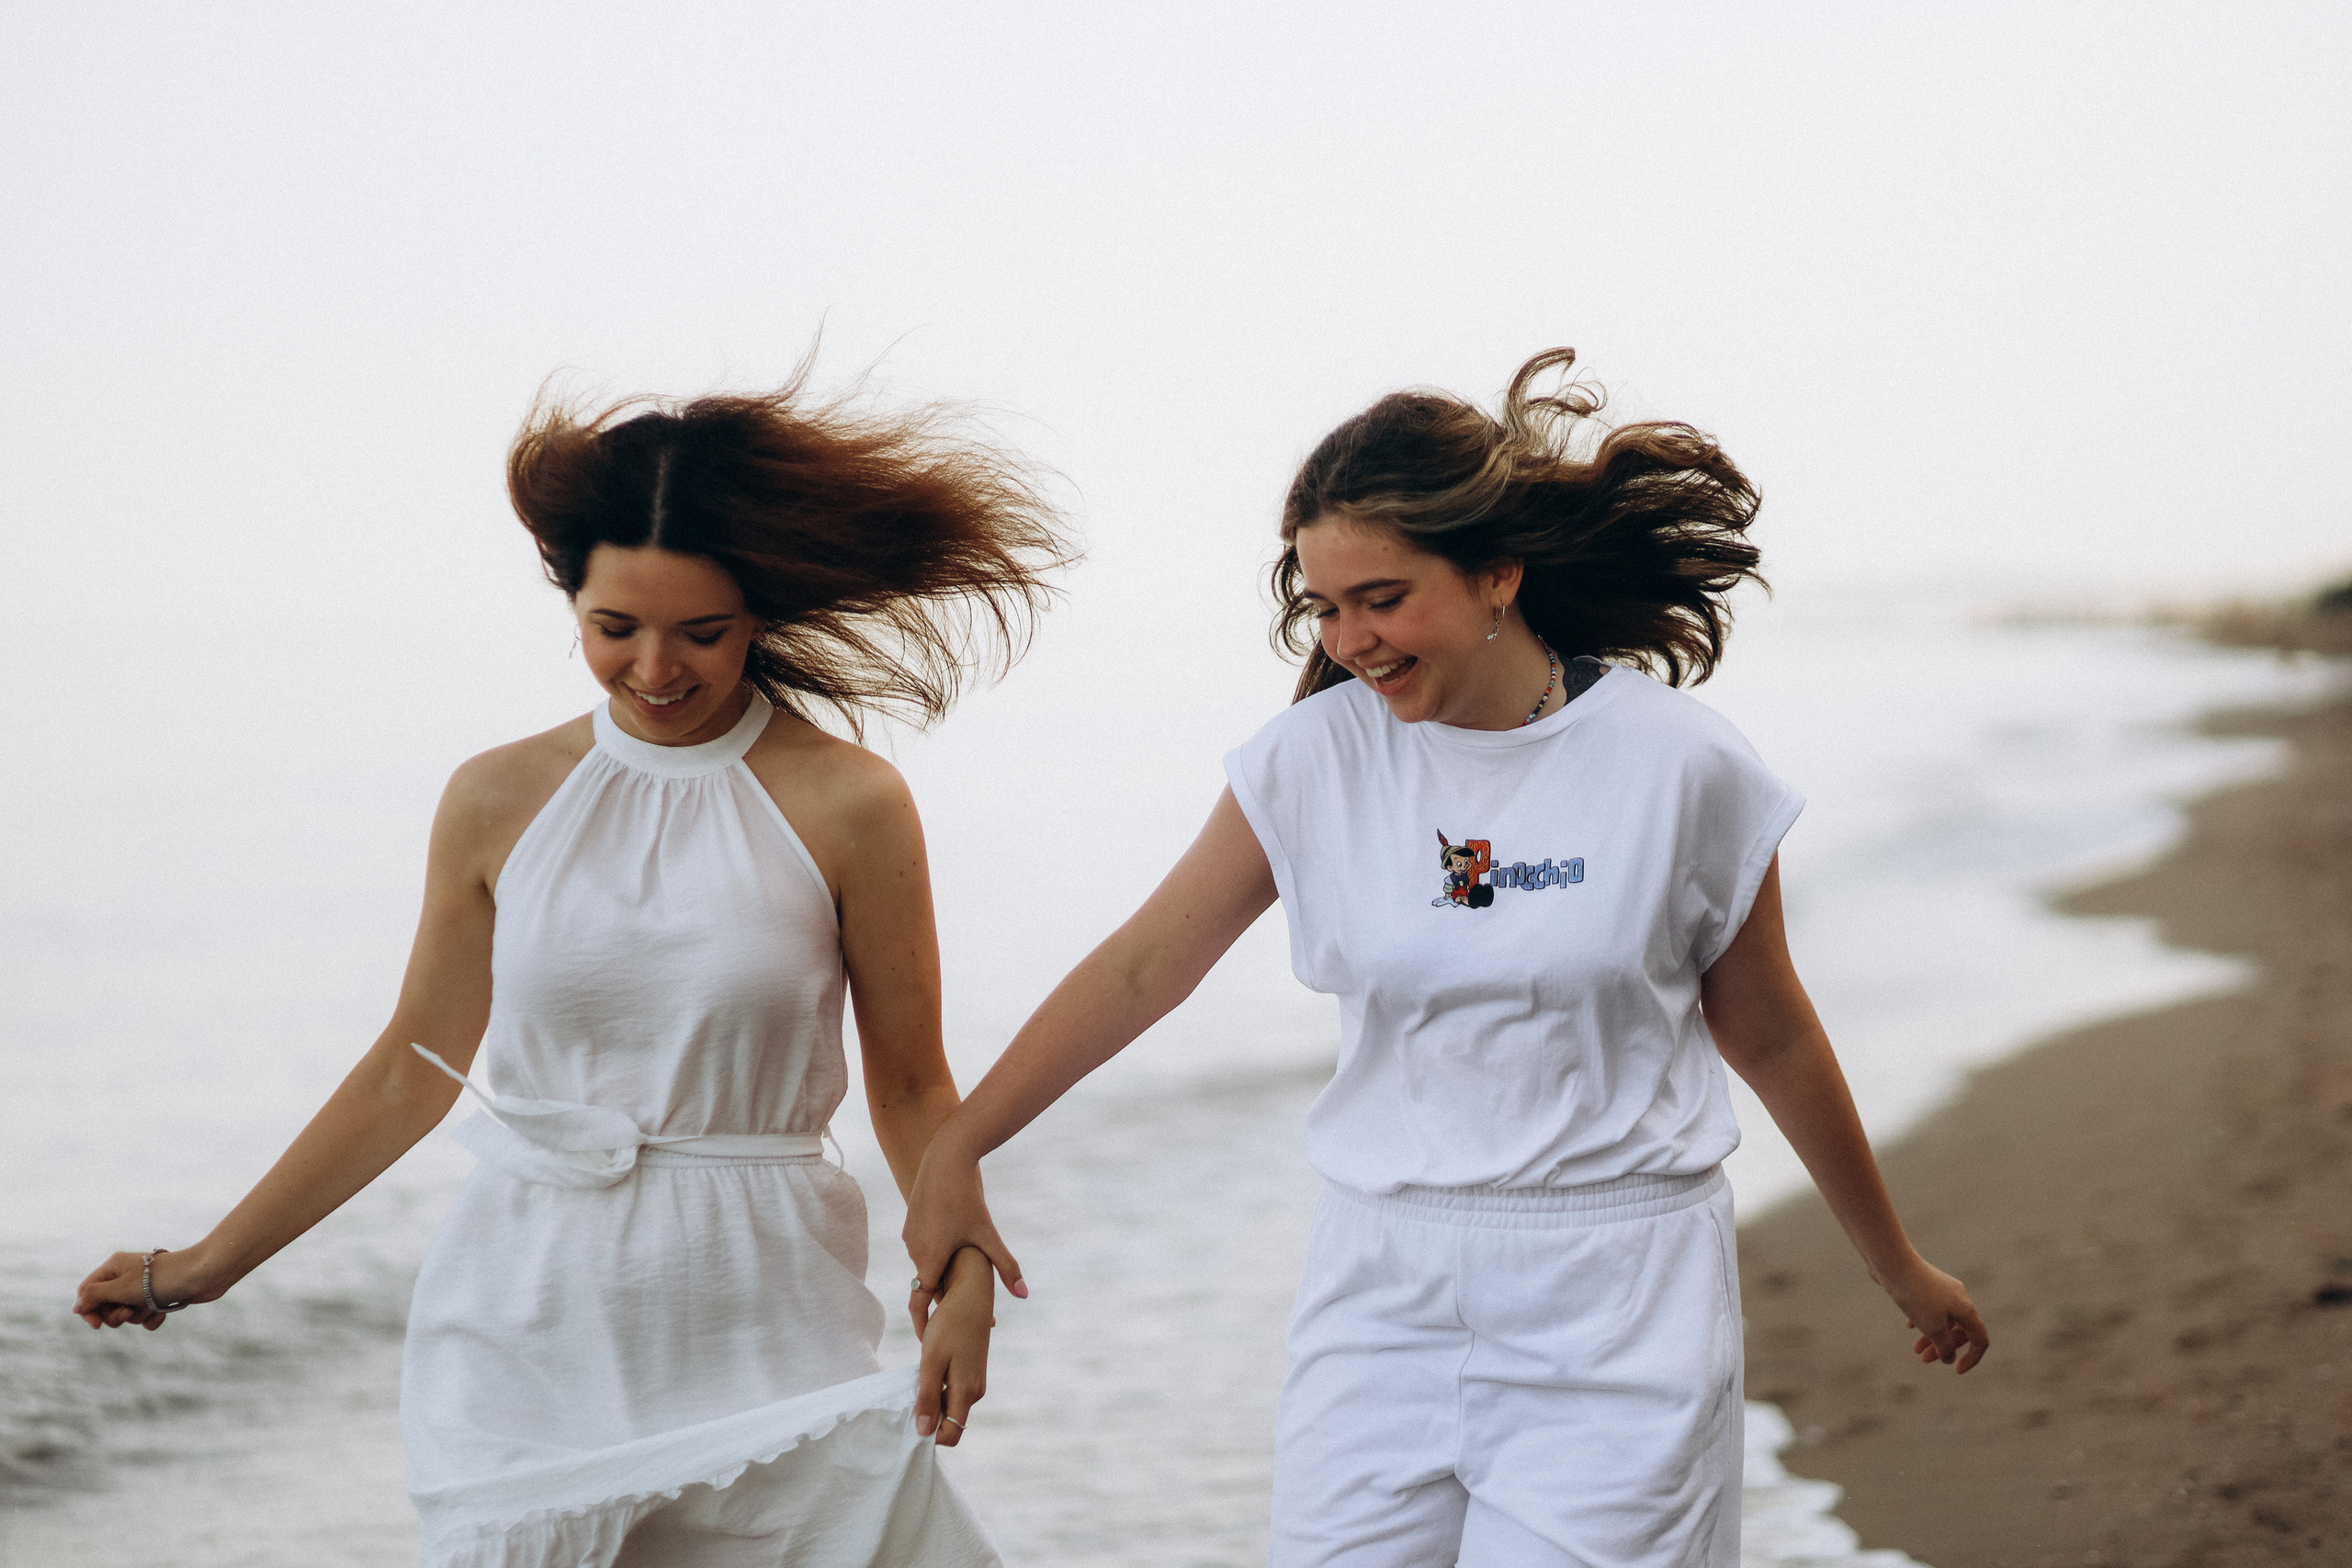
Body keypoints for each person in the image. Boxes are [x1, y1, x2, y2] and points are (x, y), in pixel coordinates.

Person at [904, 348, 1991, 1567]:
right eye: (1323, 607)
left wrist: (1893, 1264)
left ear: (1496, 575)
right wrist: (963, 1143)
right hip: (1380, 1287)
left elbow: (1771, 1029)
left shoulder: (1679, 765)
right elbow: (1144, 969)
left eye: (1381, 598)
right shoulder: (1313, 760)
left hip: (1617, 1290)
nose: (1350, 639)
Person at [74, 368, 1070, 1567]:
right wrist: (202, 1268)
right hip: (528, 1317)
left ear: (759, 614)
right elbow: (412, 1069)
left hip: (766, 1310)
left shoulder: (850, 803)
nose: (657, 669)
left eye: (700, 633)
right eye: (616, 630)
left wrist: (961, 1264)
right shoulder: (498, 799)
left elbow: (911, 1087)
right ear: (573, 606)